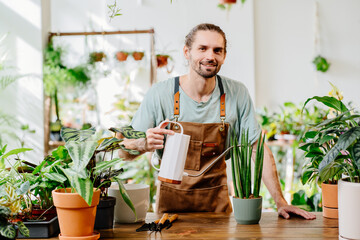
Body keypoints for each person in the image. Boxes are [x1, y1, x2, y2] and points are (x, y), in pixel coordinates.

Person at [118, 23, 316, 220]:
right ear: (187, 52)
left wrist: (280, 202)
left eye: (217, 50)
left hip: (217, 207)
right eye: (202, 48)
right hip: (170, 210)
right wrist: (144, 143)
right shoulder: (160, 94)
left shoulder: (237, 93)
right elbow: (122, 150)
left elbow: (257, 148)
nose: (210, 56)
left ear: (224, 56)